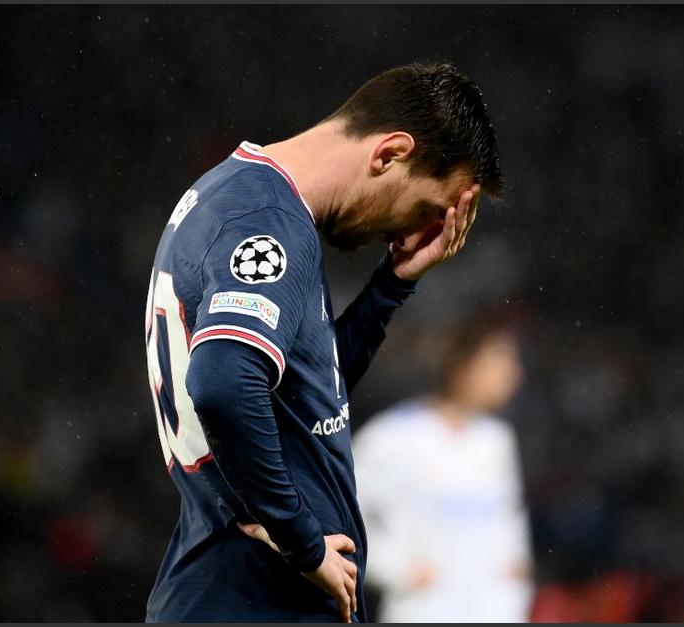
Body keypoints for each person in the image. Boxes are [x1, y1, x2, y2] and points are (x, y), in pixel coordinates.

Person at [141, 62, 503, 623]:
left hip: (228, 582)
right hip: (258, 598)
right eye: (426, 209)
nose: (409, 231)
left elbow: (305, 401)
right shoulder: (269, 222)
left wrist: (391, 285)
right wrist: (302, 541)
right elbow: (224, 383)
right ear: (389, 154)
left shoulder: (238, 196)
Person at [352, 319, 534, 622]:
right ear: (462, 367)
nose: (514, 375)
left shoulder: (495, 440)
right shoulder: (392, 436)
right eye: (499, 363)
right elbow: (340, 510)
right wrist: (394, 570)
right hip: (422, 612)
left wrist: (515, 570)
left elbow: (510, 517)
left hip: (496, 612)